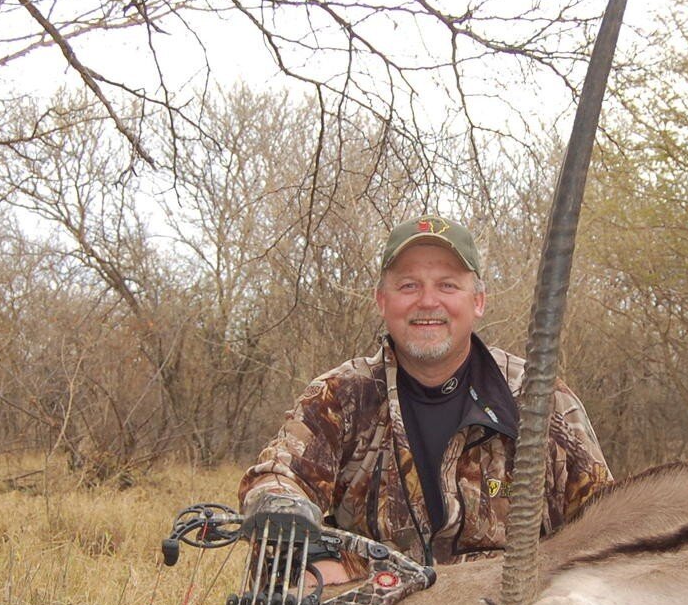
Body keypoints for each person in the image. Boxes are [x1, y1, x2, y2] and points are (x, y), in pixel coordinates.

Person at [240, 216, 612, 582]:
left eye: (448, 285)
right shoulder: (338, 397)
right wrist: (291, 524)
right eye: (408, 286)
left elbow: (604, 527)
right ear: (382, 301)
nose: (428, 301)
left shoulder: (540, 400)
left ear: (478, 301)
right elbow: (278, 480)